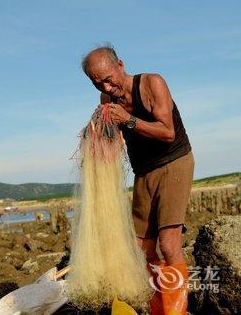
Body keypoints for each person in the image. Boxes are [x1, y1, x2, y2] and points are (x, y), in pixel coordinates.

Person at [81, 45, 194, 315]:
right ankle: (159, 309)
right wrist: (96, 141)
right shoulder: (106, 99)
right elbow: (117, 140)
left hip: (173, 163)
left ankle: (175, 313)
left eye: (109, 79)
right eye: (98, 83)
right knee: (141, 250)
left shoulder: (152, 83)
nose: (107, 87)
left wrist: (129, 120)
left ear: (120, 65)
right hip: (143, 171)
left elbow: (168, 132)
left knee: (168, 244)